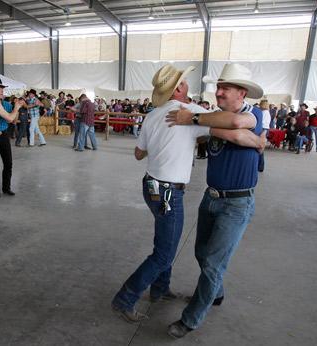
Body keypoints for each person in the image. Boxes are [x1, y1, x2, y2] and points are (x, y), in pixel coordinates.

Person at [111, 64, 264, 325]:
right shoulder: (192, 112)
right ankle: (125, 298)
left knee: (166, 240)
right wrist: (259, 142)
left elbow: (138, 153)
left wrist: (164, 142)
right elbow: (234, 129)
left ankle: (161, 289)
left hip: (151, 186)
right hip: (170, 191)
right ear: (180, 88)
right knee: (164, 253)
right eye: (184, 81)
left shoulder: (153, 114)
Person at [164, 63, 264, 338]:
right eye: (218, 87)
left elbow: (237, 126)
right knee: (201, 253)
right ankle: (216, 293)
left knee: (212, 264)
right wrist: (235, 135)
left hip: (236, 203)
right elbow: (235, 134)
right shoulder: (215, 114)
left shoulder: (254, 112)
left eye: (225, 88)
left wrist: (197, 122)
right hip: (211, 197)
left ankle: (190, 319)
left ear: (242, 93)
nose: (218, 92)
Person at [0, 78, 23, 199]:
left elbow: (13, 120)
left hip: (3, 134)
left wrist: (16, 107)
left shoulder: (7, 104)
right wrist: (16, 109)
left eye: (3, 88)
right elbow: (9, 118)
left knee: (8, 162)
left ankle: (6, 188)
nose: (2, 91)